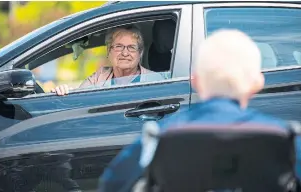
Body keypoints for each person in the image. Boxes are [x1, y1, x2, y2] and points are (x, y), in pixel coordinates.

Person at [97, 29, 301, 192]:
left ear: (195, 81)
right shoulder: (289, 139)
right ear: (257, 83)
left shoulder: (158, 138)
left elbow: (111, 184)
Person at [51, 25, 164, 95]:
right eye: (119, 46)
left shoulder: (155, 80)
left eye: (131, 47)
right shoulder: (99, 77)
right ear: (109, 51)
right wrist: (64, 91)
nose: (125, 53)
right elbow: (79, 98)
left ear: (140, 53)